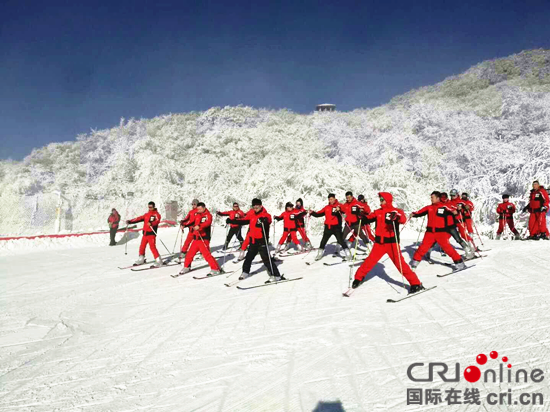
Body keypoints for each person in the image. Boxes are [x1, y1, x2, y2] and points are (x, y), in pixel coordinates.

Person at [352, 192, 424, 294]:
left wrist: (396, 217)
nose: (380, 201)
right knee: (369, 261)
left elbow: (403, 220)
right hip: (379, 244)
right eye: (380, 199)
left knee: (400, 265)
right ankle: (358, 278)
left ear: (388, 200)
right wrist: (362, 217)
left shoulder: (396, 211)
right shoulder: (378, 212)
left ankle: (416, 283)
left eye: (382, 199)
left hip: (391, 244)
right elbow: (368, 218)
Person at [227, 198, 284, 283]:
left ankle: (276, 275)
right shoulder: (252, 214)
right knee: (248, 258)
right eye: (254, 207)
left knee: (266, 259)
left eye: (257, 206)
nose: (256, 208)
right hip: (253, 241)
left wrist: (263, 221)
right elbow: (244, 221)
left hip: (262, 241)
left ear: (261, 206)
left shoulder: (265, 215)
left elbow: (268, 220)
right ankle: (245, 272)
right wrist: (232, 221)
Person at [410, 191, 467, 270]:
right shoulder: (429, 207)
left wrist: (457, 211)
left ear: (437, 198)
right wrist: (414, 214)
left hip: (441, 233)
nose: (431, 199)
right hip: (429, 233)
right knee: (422, 248)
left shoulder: (444, 206)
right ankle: (414, 264)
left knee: (448, 249)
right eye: (431, 197)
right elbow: (419, 212)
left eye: (432, 197)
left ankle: (460, 264)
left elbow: (454, 210)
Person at [178, 202, 221, 276]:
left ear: (204, 208)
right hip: (196, 238)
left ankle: (215, 269)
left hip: (203, 238)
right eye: (197, 209)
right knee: (189, 254)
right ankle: (186, 267)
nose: (198, 210)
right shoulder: (197, 215)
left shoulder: (208, 215)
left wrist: (200, 226)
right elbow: (192, 222)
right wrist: (184, 225)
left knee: (206, 255)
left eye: (200, 209)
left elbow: (207, 223)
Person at [308, 193, 351, 261]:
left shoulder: (339, 205)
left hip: (336, 227)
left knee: (341, 241)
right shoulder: (327, 207)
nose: (330, 200)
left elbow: (344, 210)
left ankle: (348, 254)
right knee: (323, 241)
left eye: (331, 199)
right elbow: (319, 214)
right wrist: (312, 213)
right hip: (328, 227)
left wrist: (339, 208)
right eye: (329, 199)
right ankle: (319, 254)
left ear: (334, 199)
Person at [127, 202, 162, 267]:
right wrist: (130, 221)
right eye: (149, 207)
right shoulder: (147, 214)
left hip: (151, 233)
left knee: (152, 247)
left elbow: (157, 221)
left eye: (151, 207)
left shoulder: (156, 214)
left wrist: (151, 223)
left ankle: (158, 260)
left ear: (154, 207)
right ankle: (141, 258)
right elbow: (139, 218)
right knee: (142, 246)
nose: (150, 208)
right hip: (145, 233)